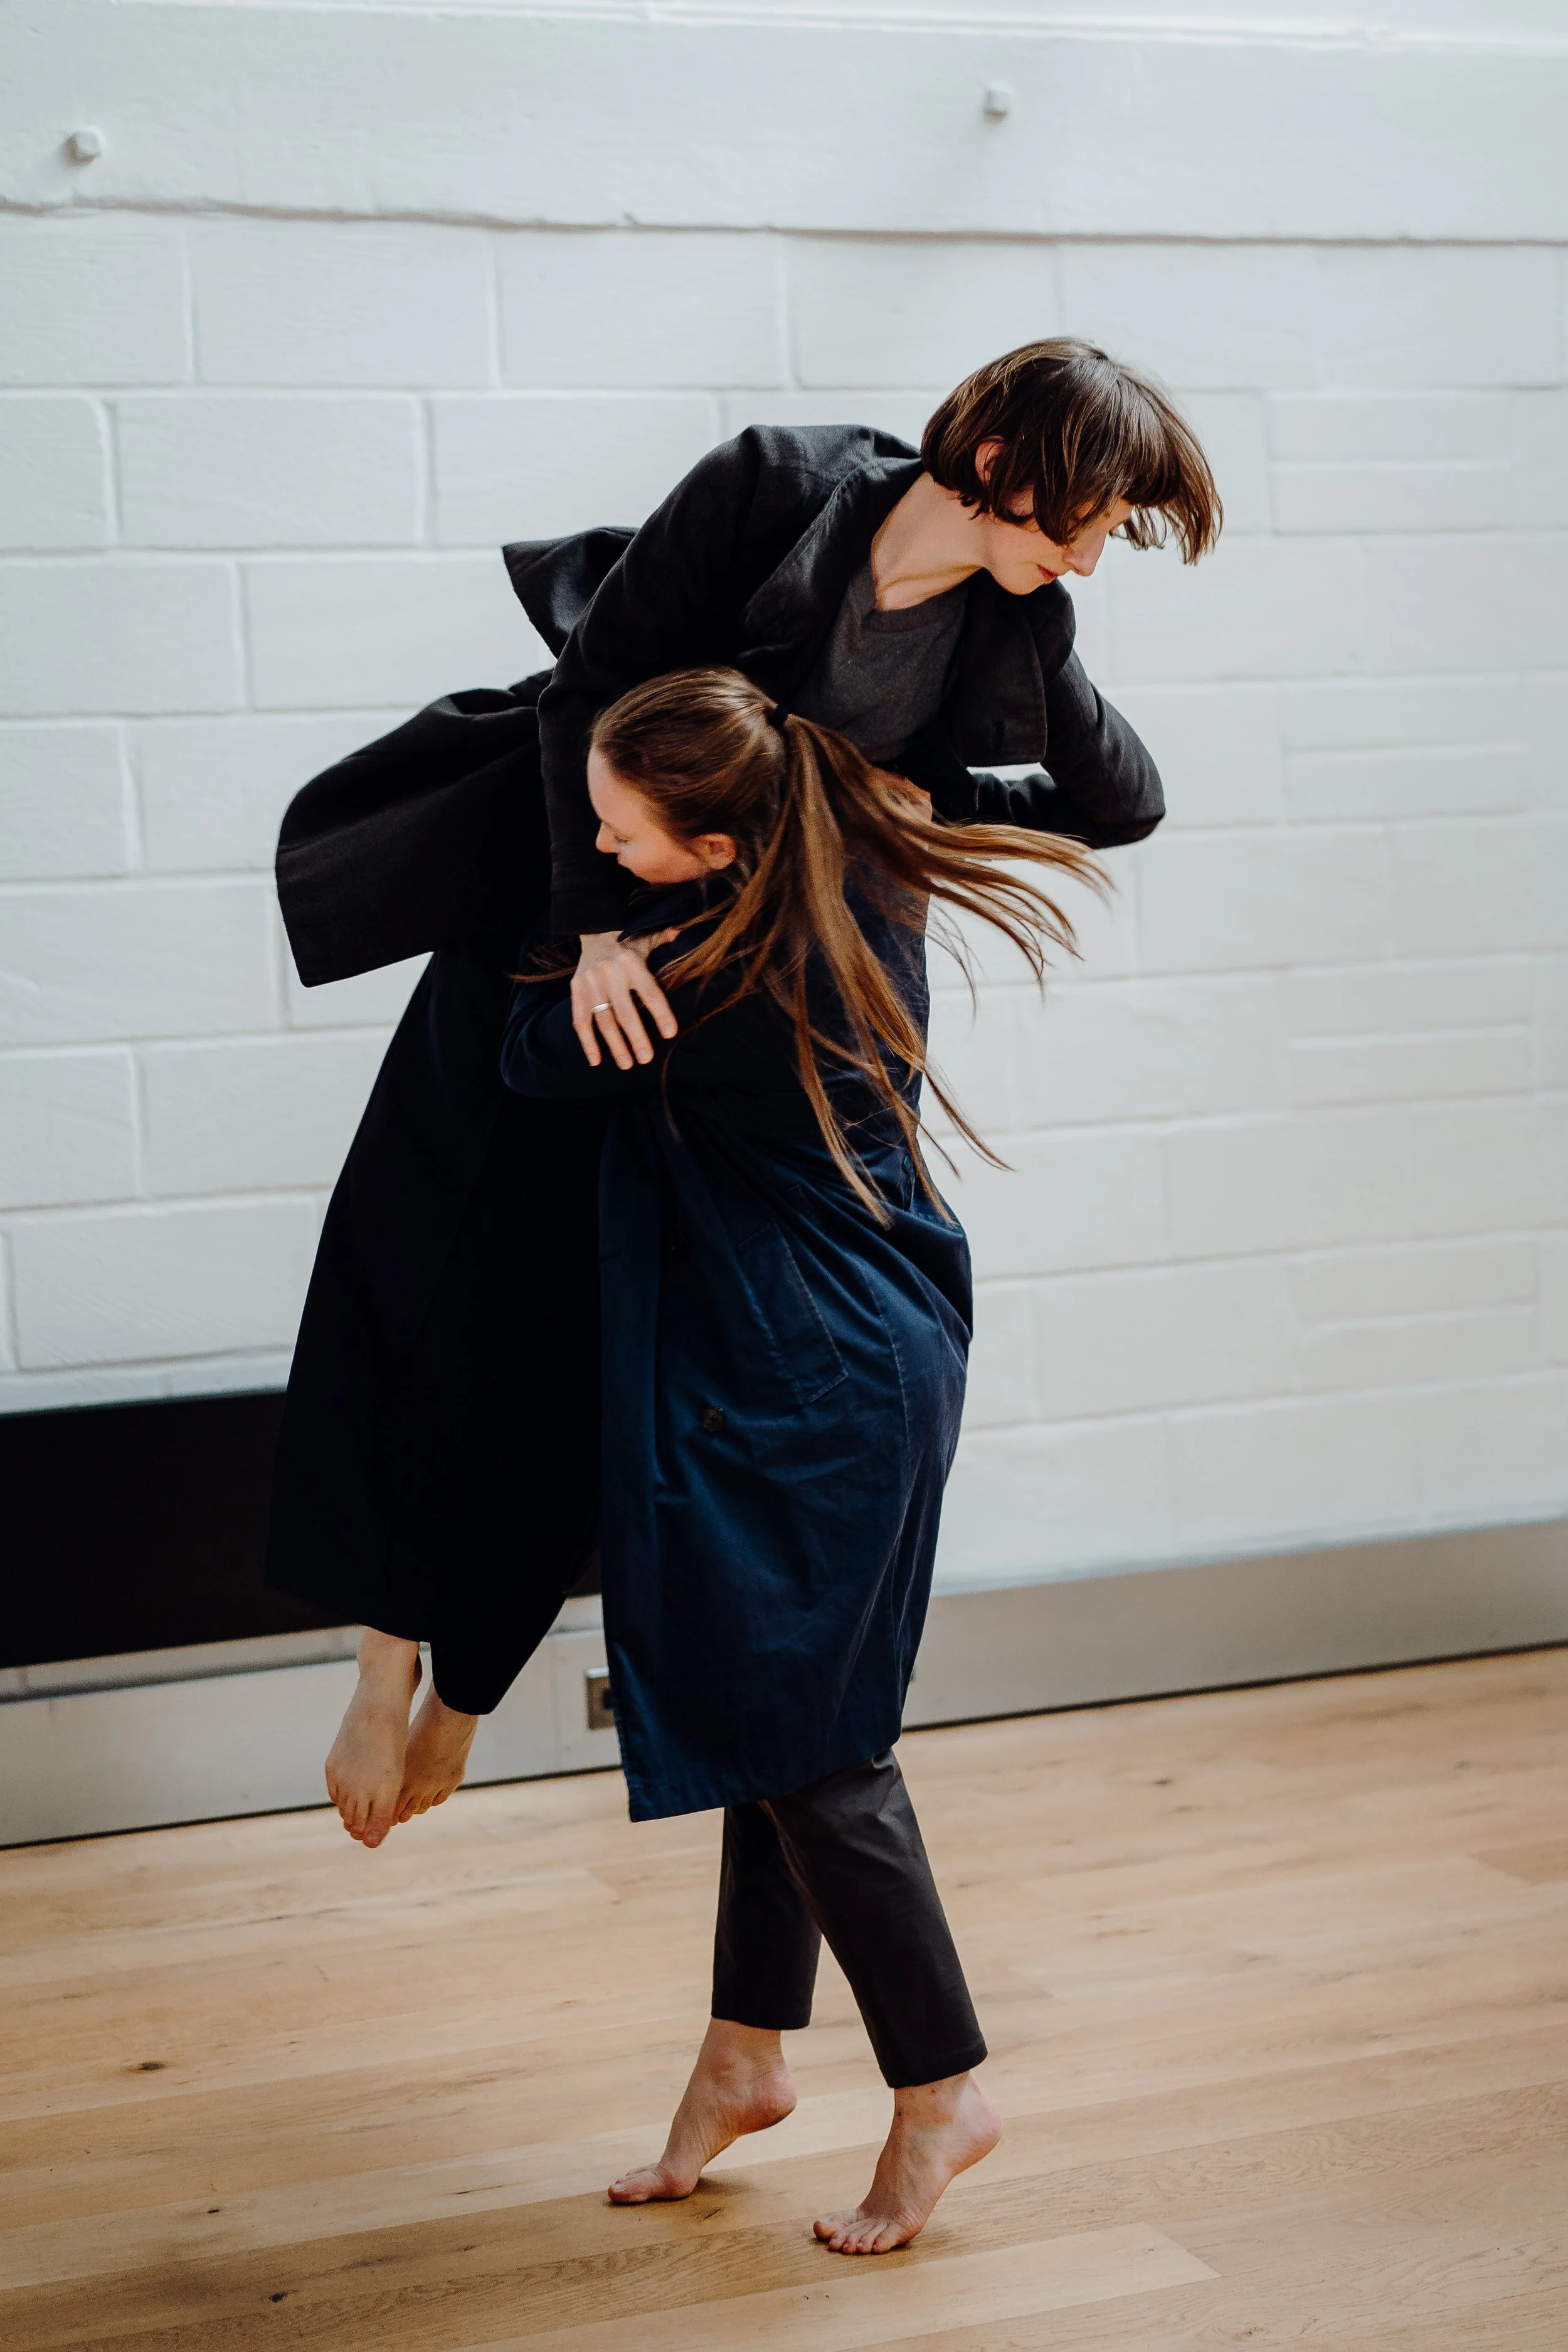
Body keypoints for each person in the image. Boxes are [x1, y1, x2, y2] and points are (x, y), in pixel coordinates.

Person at [270, 339, 1218, 1853]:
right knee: (429, 1266)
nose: (1096, 551)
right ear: (998, 469)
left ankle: (470, 1681)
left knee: (597, 1333)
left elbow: (1127, 804)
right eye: (1089, 516)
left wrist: (914, 800)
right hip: (569, 916)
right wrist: (585, 933)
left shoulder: (1014, 623)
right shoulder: (778, 486)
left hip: (730, 1005)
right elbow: (588, 686)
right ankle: (383, 1660)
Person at [497, 665, 1101, 2252]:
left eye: (620, 835)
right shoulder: (852, 878)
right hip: (863, 1349)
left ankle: (940, 2091)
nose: (599, 856)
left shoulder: (704, 978)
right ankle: (745, 2054)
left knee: (817, 1751)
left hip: (811, 1380)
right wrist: (625, 923)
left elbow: (529, 1059)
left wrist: (599, 952)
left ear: (710, 848)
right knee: (767, 1722)